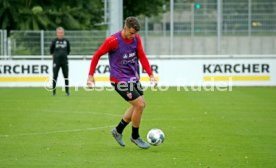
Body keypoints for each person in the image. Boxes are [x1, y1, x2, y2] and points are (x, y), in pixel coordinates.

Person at [87, 17, 157, 149]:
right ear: (125, 28)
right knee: (140, 105)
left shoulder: (136, 38)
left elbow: (142, 56)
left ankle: (118, 131)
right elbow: (97, 55)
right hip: (119, 80)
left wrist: (151, 75)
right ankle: (135, 137)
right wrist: (90, 75)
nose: (133, 36)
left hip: (133, 78)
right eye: (131, 33)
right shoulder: (112, 41)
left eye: (135, 33)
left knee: (139, 105)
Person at [50, 27, 71, 96]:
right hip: (56, 62)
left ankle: (67, 92)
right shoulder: (54, 41)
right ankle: (53, 92)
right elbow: (51, 50)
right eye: (59, 33)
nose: (60, 34)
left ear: (63, 33)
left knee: (66, 76)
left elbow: (68, 51)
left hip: (64, 62)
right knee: (55, 76)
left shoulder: (66, 41)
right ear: (57, 33)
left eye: (61, 33)